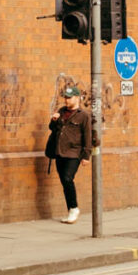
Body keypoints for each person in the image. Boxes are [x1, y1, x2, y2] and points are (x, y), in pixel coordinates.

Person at [48, 84, 92, 224]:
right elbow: (52, 129)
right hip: (59, 152)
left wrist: (86, 156)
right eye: (65, 97)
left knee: (67, 178)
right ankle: (71, 210)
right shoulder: (61, 111)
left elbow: (88, 136)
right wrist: (54, 120)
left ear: (77, 98)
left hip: (74, 153)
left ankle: (74, 208)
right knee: (64, 182)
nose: (66, 100)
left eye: (69, 97)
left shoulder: (83, 116)